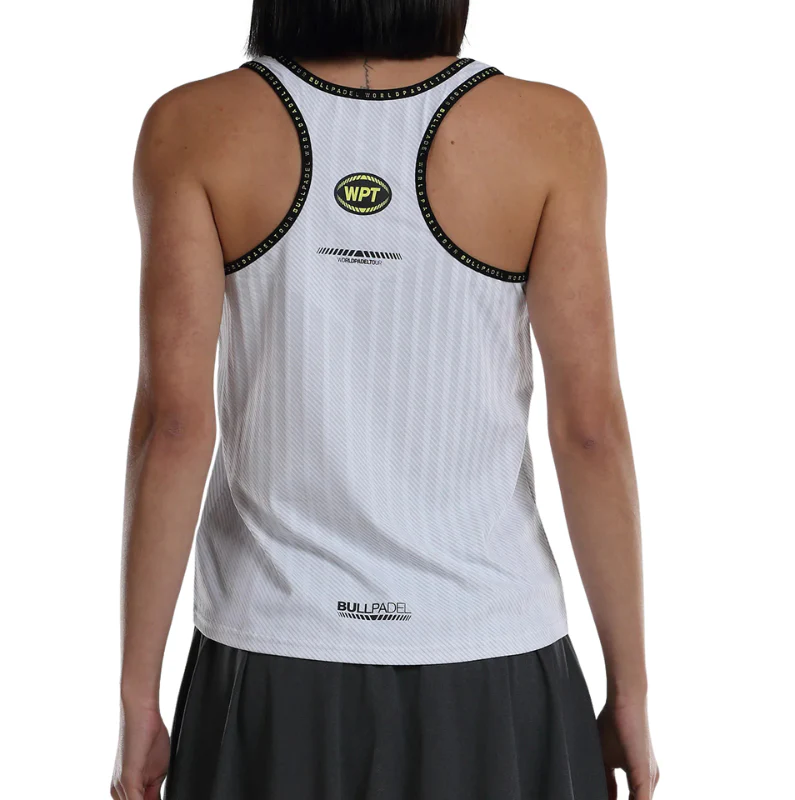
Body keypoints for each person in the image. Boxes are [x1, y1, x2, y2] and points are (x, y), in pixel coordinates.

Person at [111, 1, 659, 798]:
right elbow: (590, 434)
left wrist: (136, 699)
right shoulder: (549, 131)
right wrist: (630, 690)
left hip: (270, 665)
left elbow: (173, 427)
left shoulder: (193, 126)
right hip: (492, 664)